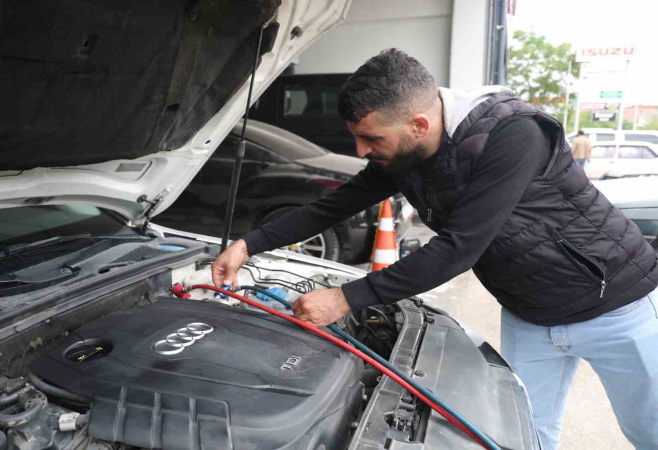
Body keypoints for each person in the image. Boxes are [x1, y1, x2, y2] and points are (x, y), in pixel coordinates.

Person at [212, 49, 658, 449]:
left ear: (419, 124)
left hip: (616, 304)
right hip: (529, 316)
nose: (361, 149)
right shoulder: (405, 153)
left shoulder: (514, 134)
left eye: (371, 139)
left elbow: (458, 249)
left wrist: (344, 298)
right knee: (525, 438)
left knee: (649, 430)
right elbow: (332, 207)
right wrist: (249, 244)